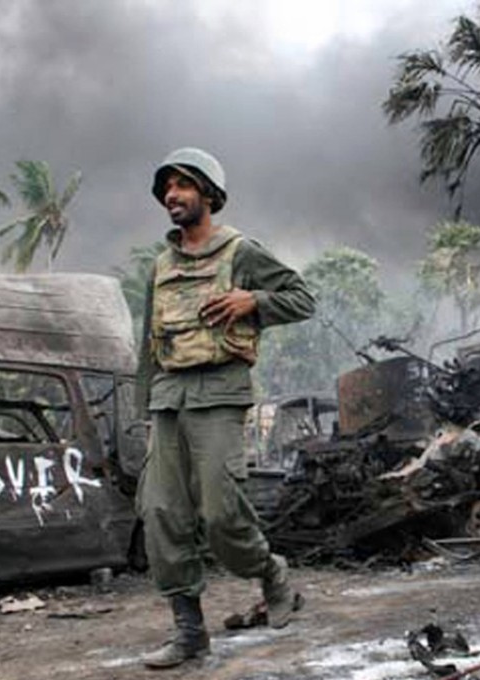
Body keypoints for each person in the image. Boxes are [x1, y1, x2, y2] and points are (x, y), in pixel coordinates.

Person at [136, 147, 315, 669]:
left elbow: (302, 298)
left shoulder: (240, 251)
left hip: (218, 394)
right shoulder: (160, 266)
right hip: (168, 399)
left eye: (183, 185)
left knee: (220, 513)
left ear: (208, 195)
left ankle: (270, 572)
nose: (173, 195)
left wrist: (252, 302)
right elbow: (147, 341)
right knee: (161, 513)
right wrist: (141, 409)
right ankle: (189, 632)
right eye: (167, 187)